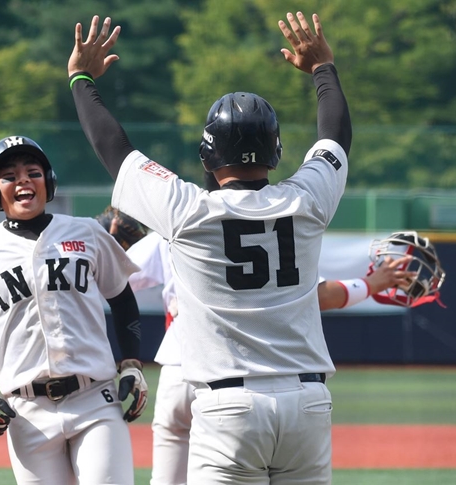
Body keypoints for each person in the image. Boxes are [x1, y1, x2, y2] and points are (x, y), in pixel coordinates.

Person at [68, 11, 351, 483]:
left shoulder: (187, 211)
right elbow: (335, 138)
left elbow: (114, 148)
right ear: (275, 152)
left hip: (229, 408)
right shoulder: (306, 201)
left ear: (206, 155)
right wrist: (323, 68)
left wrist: (82, 79)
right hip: (307, 403)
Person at [127, 222, 418, 485]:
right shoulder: (270, 226)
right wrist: (370, 284)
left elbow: (115, 280)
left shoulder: (176, 223)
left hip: (180, 366)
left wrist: (111, 243)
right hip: (242, 378)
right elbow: (321, 295)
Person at [0, 135, 148, 485]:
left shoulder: (87, 233)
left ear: (48, 183)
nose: (22, 180)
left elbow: (123, 299)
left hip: (94, 399)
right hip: (26, 412)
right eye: (9, 175)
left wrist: (132, 363)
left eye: (32, 172)